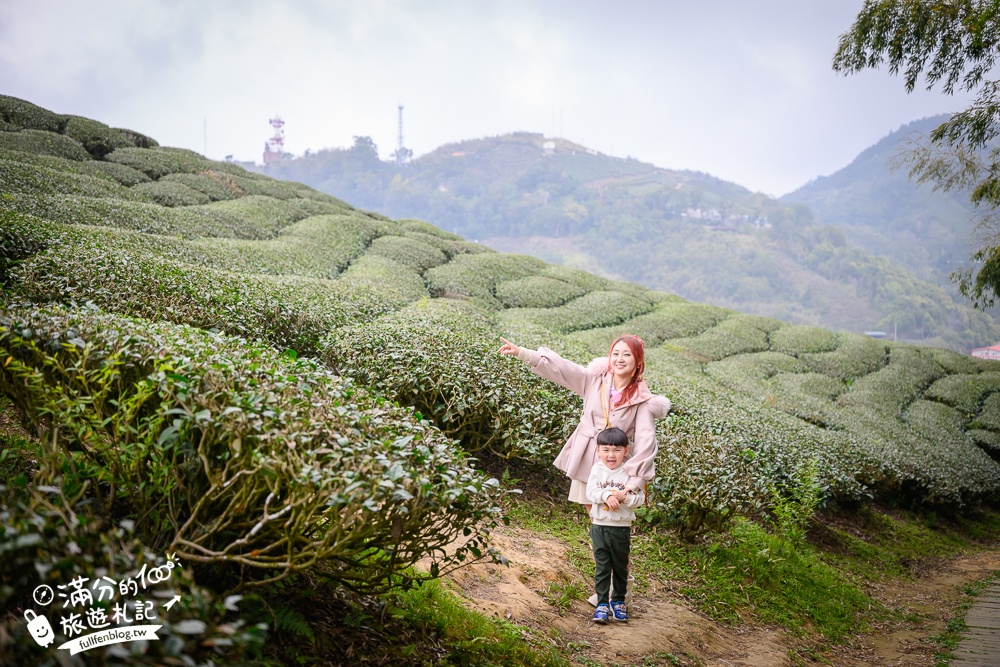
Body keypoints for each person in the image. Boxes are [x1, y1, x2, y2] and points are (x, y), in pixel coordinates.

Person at [497, 334, 671, 510]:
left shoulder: (642, 399)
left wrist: (635, 482)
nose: (620, 359)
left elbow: (645, 442)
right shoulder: (595, 379)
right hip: (587, 453)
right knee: (593, 512)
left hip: (615, 462)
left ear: (638, 360)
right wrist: (523, 353)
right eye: (615, 353)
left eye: (627, 355)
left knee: (610, 516)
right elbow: (564, 369)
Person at [587, 427, 643, 623]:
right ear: (598, 451)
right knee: (602, 566)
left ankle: (618, 601)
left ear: (626, 451)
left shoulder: (630, 472)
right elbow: (591, 492)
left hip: (621, 528)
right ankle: (602, 603)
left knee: (620, 567)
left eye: (617, 450)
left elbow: (640, 499)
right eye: (606, 450)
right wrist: (606, 495)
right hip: (599, 526)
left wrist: (623, 497)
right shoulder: (596, 469)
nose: (611, 455)